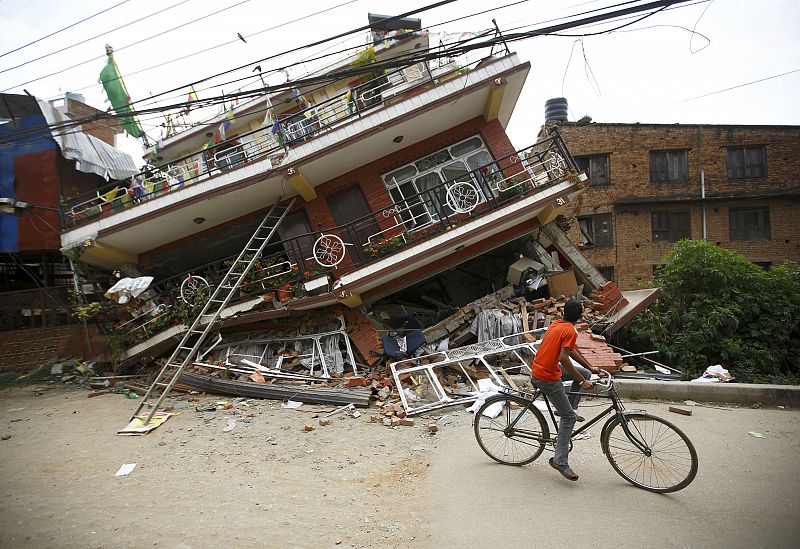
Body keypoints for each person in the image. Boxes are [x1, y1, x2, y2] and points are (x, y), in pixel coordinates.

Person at [531, 299, 600, 482]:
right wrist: (582, 381)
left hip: (540, 369)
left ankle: (568, 408)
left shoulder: (557, 324)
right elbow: (564, 357)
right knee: (568, 418)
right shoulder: (570, 330)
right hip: (546, 377)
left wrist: (589, 369)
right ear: (580, 316)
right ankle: (560, 461)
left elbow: (571, 351)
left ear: (563, 313)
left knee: (585, 373)